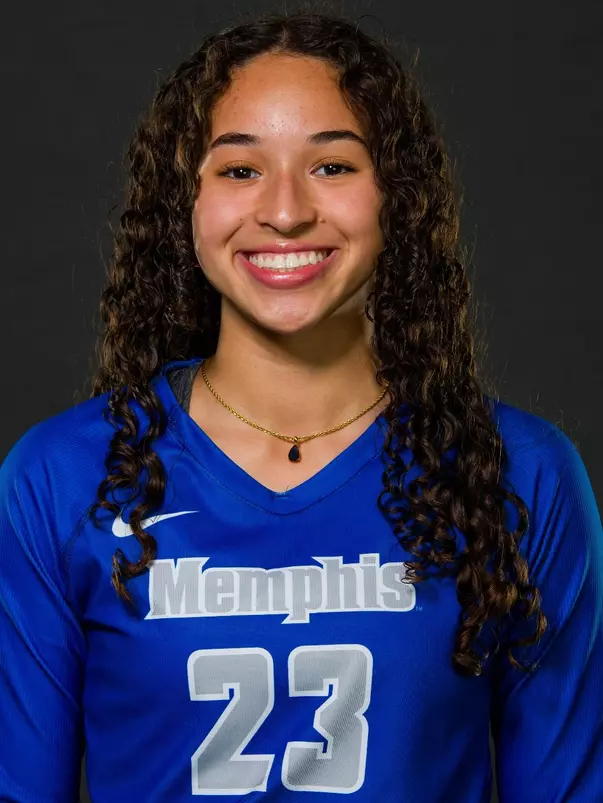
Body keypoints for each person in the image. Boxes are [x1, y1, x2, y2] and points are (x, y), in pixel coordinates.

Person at [0, 10, 601, 803]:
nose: (284, 211)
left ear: (398, 197)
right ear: (187, 199)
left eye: (332, 166)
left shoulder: (519, 473)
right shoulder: (63, 476)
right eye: (239, 169)